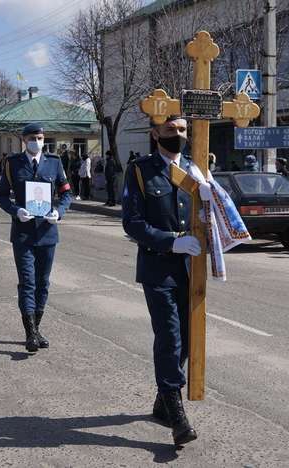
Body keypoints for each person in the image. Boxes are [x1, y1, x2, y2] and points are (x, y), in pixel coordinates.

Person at [121, 116, 199, 447]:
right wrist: (171, 241)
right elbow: (132, 222)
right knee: (169, 336)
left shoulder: (195, 169)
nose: (178, 135)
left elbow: (211, 216)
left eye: (182, 130)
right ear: (155, 134)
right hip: (157, 267)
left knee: (187, 336)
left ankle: (161, 399)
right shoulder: (141, 170)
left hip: (190, 270)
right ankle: (176, 413)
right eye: (171, 130)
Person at [0, 123, 73, 353]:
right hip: (23, 233)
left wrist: (59, 212)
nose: (37, 141)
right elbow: (0, 196)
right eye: (32, 138)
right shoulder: (12, 164)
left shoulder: (55, 162)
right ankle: (30, 333)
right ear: (24, 140)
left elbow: (66, 192)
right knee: (27, 283)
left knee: (43, 284)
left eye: (40, 138)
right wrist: (15, 210)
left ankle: (36, 328)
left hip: (48, 233)